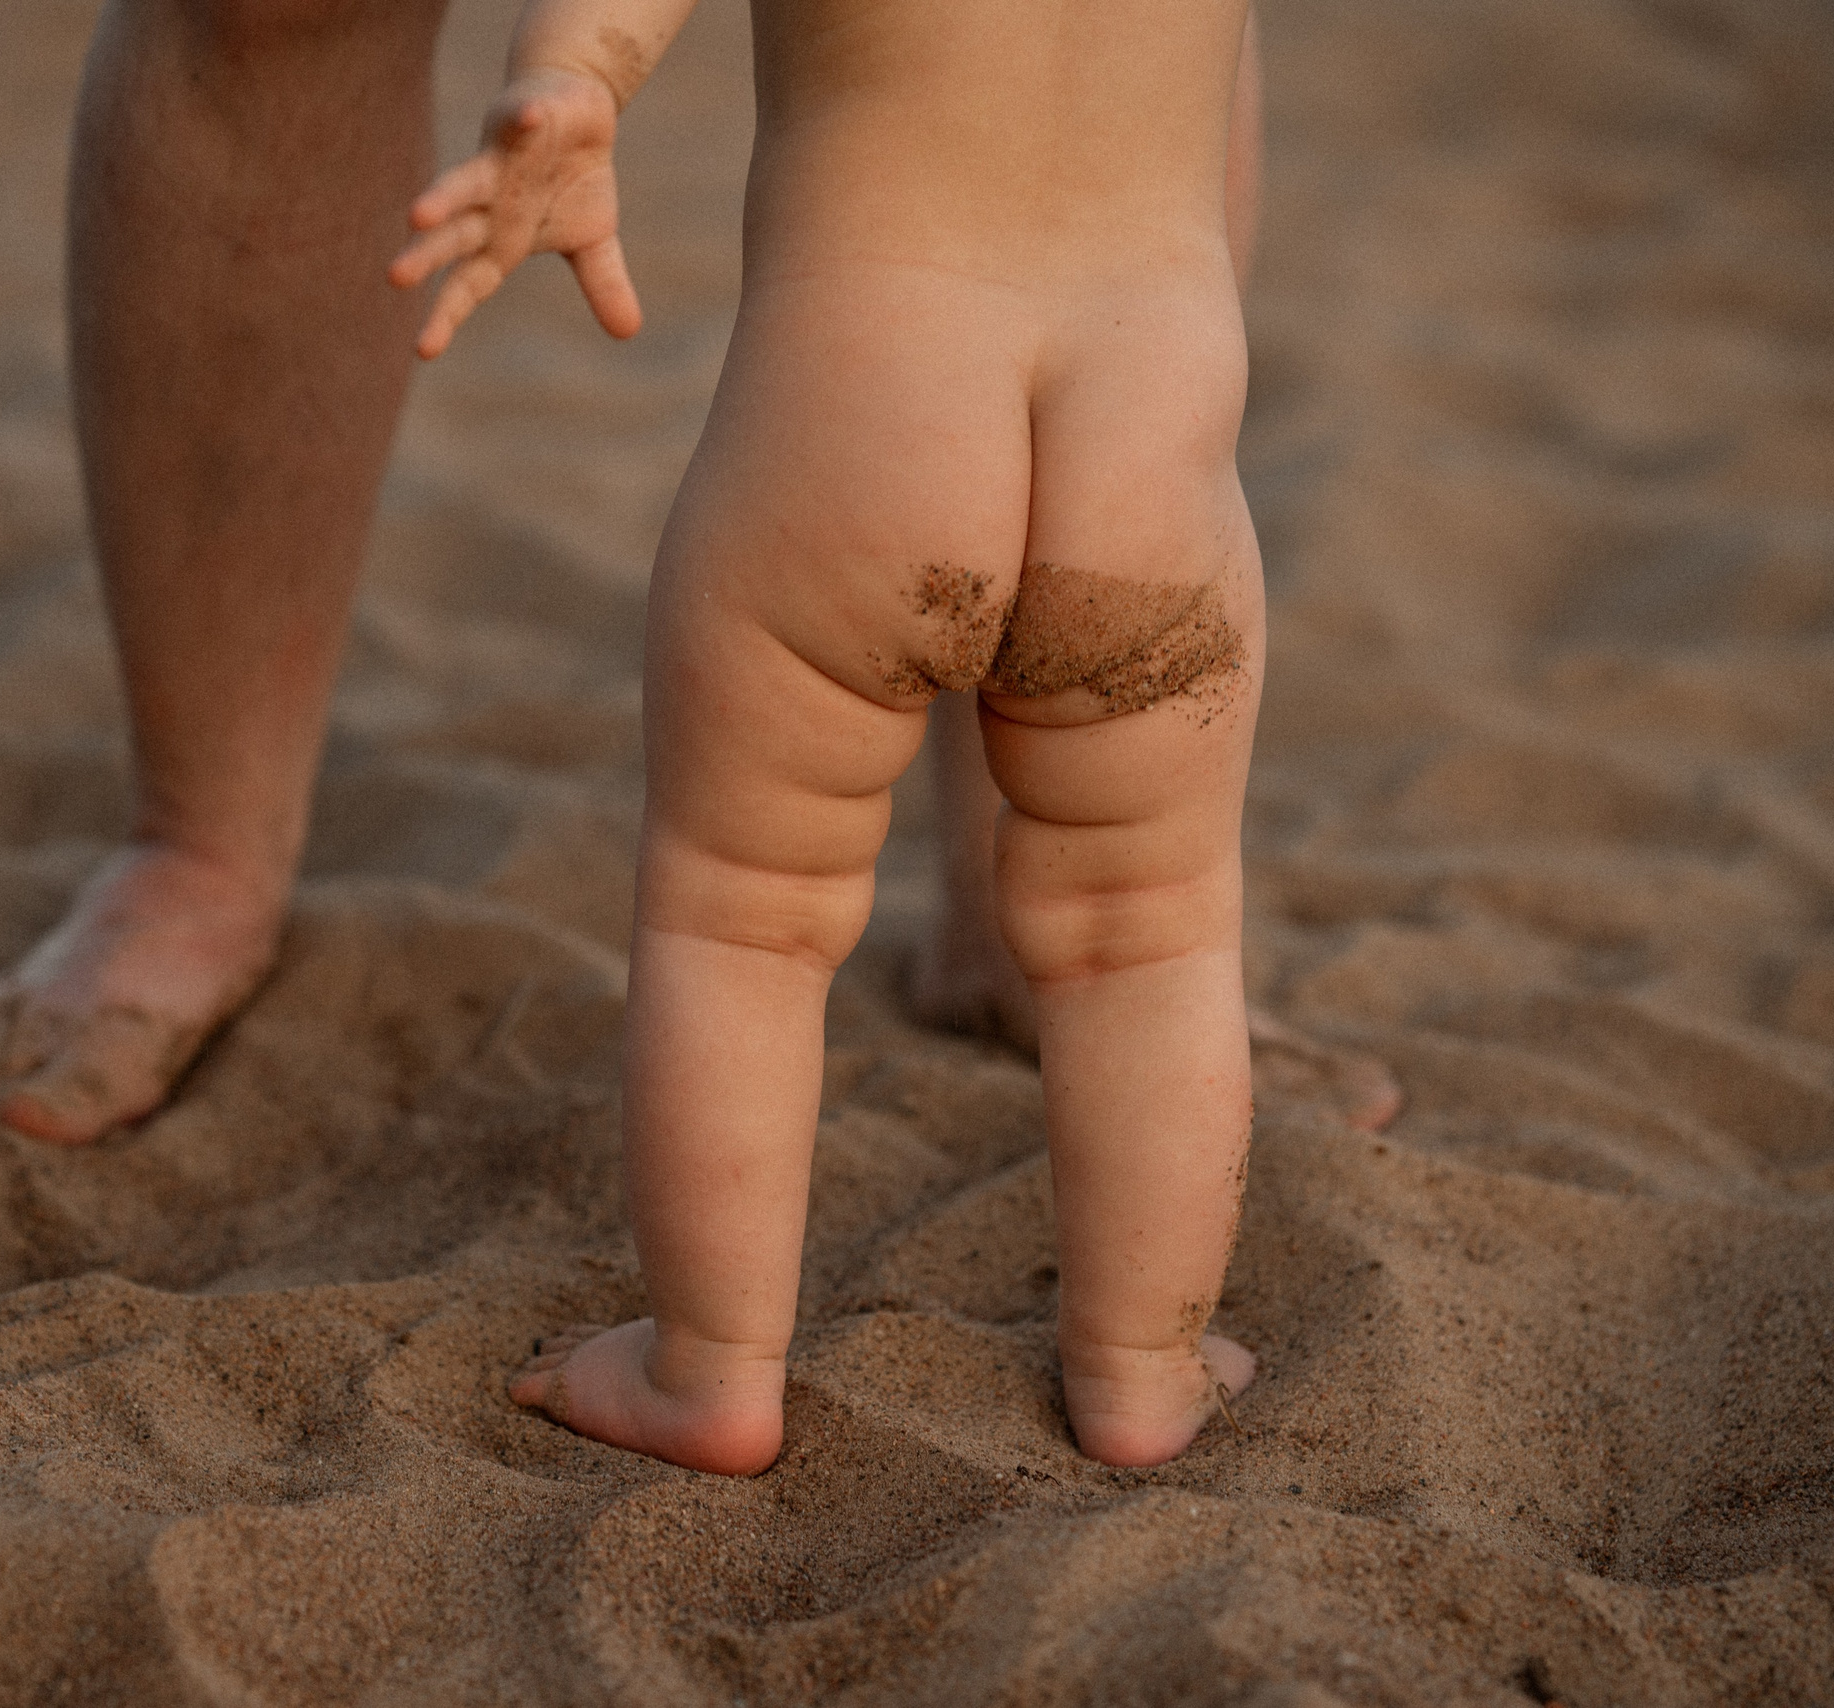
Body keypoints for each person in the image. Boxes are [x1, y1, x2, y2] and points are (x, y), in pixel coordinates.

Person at [393, 0, 1285, 1473]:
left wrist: (569, 76)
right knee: (1152, 932)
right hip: (1154, 441)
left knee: (748, 915)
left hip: (861, 410)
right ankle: (1142, 1368)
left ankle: (711, 1369)